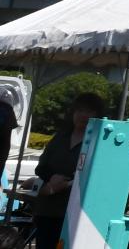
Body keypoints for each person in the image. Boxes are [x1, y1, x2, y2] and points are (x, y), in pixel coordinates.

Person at [33, 91, 105, 249]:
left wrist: (67, 184)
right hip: (48, 210)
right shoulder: (60, 137)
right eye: (80, 110)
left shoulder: (100, 143)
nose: (83, 115)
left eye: (89, 111)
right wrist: (53, 178)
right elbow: (41, 167)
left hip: (77, 214)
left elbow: (97, 175)